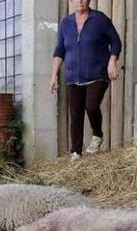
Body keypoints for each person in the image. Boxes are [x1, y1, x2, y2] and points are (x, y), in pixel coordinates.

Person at [51, 0, 122, 161]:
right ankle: (75, 153)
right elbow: (59, 50)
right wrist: (54, 74)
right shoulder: (66, 23)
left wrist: (112, 62)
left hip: (98, 74)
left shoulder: (100, 19)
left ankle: (97, 134)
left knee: (91, 106)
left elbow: (116, 41)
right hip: (73, 77)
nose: (81, 1)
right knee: (75, 116)